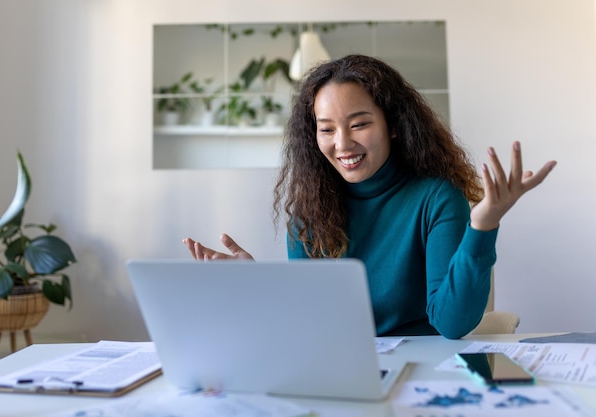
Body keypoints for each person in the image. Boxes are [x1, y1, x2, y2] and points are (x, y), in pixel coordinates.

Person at [183, 54, 556, 339]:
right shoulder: (309, 210)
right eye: (327, 129)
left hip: (422, 372)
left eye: (359, 124)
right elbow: (311, 324)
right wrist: (260, 286)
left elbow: (452, 323)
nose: (342, 144)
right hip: (344, 372)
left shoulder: (435, 197)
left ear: (392, 125)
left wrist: (483, 223)